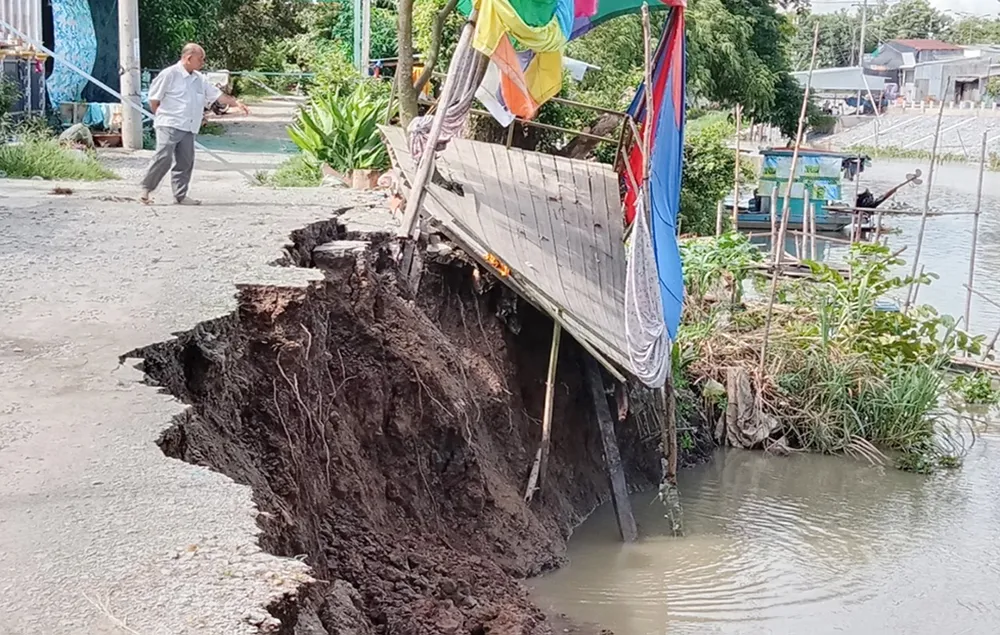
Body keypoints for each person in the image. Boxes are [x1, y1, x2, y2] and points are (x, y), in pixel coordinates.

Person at [140, 43, 249, 205]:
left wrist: (236, 103)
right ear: (189, 58)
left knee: (185, 161)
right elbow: (154, 100)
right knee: (163, 157)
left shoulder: (199, 79)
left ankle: (180, 195)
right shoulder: (169, 74)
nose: (203, 63)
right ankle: (146, 190)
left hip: (189, 126)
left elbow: (217, 95)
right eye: (201, 59)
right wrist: (162, 116)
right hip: (169, 123)